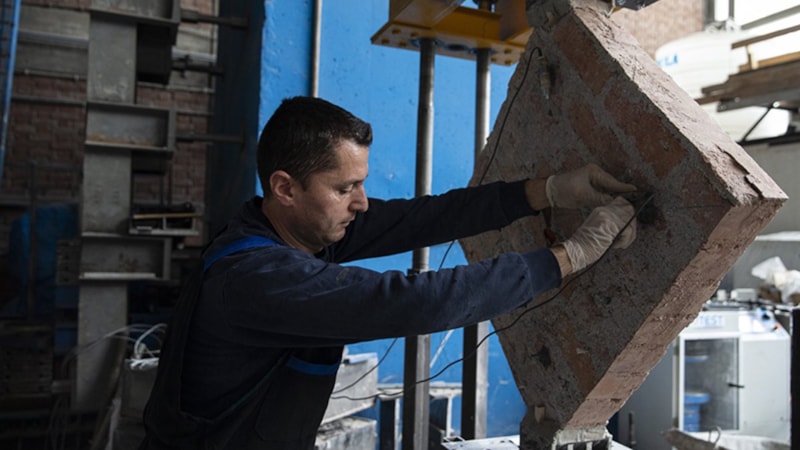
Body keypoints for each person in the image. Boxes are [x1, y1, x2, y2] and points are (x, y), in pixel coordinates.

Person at [140, 96, 637, 449]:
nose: (361, 203)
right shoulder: (257, 277)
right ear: (285, 187)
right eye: (345, 187)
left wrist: (547, 191)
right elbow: (413, 300)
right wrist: (569, 257)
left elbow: (426, 216)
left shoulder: (303, 230)